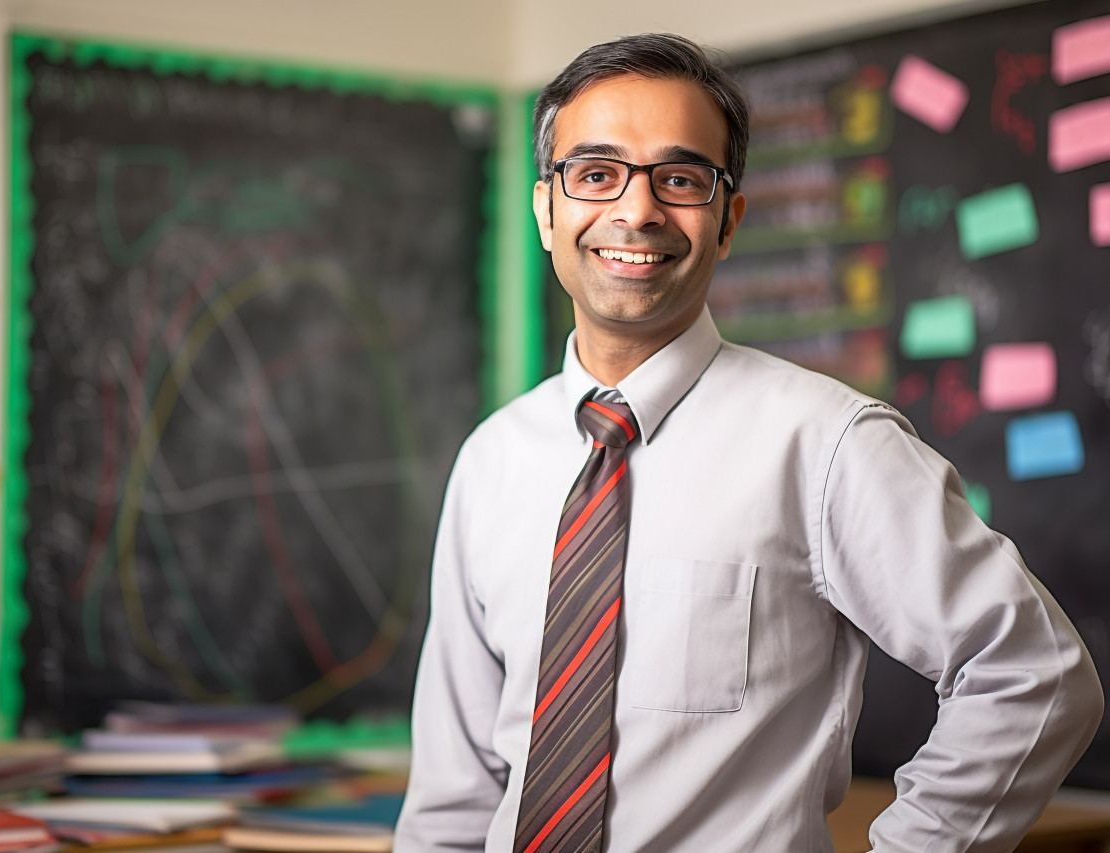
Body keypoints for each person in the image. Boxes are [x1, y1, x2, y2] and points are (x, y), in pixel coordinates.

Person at [394, 33, 1103, 853]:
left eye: (680, 178)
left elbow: (1036, 674)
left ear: (727, 221)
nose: (637, 210)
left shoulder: (829, 444)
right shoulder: (492, 460)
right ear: (546, 209)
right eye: (595, 173)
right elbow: (454, 794)